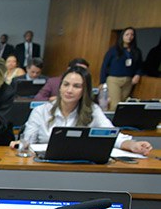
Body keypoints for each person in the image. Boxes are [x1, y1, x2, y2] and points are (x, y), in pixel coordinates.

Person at [19, 66, 152, 155]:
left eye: (76, 86)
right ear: (59, 87)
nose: (69, 90)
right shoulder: (41, 111)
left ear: (85, 91)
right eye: (66, 85)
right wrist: (22, 146)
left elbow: (111, 134)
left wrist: (132, 145)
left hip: (79, 167)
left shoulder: (93, 111)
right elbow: (27, 143)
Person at [100, 26, 144, 110]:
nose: (129, 37)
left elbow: (140, 66)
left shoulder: (136, 51)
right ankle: (112, 123)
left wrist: (138, 74)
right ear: (122, 36)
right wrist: (102, 82)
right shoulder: (113, 50)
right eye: (127, 34)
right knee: (115, 105)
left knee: (122, 104)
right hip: (114, 80)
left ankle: (118, 122)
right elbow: (105, 65)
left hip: (128, 81)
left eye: (132, 35)